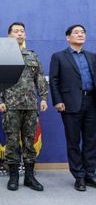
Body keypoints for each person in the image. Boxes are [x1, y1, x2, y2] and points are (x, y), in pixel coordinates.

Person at [0, 22, 48, 191]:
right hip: (10, 105)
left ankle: (29, 177)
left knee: (29, 142)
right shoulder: (3, 56)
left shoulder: (32, 56)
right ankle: (13, 177)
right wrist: (0, 101)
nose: (19, 33)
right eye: (15, 31)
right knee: (12, 141)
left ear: (25, 35)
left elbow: (39, 78)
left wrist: (44, 98)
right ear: (9, 35)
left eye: (22, 31)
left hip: (31, 105)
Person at [49, 24, 96, 191]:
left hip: (91, 102)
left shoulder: (92, 56)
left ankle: (90, 174)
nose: (80, 34)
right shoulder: (59, 57)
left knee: (91, 141)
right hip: (70, 103)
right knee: (73, 141)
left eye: (83, 32)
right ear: (68, 37)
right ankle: (79, 176)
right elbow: (54, 81)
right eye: (76, 32)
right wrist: (57, 100)